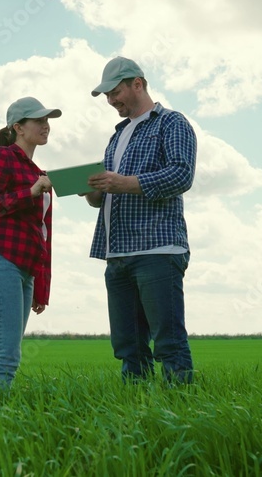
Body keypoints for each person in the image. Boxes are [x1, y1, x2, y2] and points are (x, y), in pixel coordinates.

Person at [83, 56, 197, 384]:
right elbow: (103, 198)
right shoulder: (116, 136)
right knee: (128, 347)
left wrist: (125, 183)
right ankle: (136, 413)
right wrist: (92, 191)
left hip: (157, 248)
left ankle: (181, 412)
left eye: (115, 92)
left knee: (168, 342)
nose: (110, 100)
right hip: (116, 253)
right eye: (106, 96)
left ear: (138, 84)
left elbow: (181, 174)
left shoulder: (172, 122)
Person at [0, 96, 61, 402]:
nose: (46, 126)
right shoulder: (0, 157)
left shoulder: (39, 172)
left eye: (48, 121)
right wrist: (29, 192)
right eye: (39, 121)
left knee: (7, 355)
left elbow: (41, 234)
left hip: (22, 268)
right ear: (18, 127)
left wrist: (40, 290)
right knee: (3, 355)